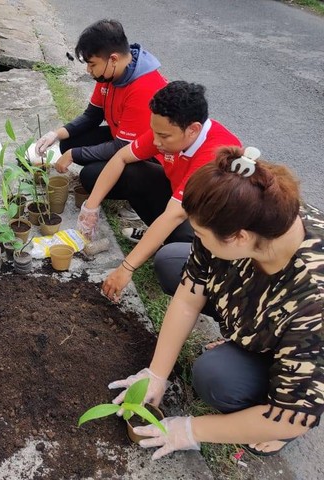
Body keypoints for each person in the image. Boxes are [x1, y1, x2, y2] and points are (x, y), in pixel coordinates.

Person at [107, 147, 324, 459]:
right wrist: (156, 374)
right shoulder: (250, 214)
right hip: (255, 304)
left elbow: (292, 418)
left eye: (200, 233)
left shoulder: (313, 297)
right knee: (171, 261)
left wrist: (191, 429)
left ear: (238, 238)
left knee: (217, 377)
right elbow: (187, 297)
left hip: (303, 347)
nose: (197, 239)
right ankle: (242, 337)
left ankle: (266, 410)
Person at [77, 81, 241, 302]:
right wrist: (91, 207)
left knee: (168, 257)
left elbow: (175, 214)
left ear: (193, 130)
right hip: (179, 202)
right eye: (155, 132)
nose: (156, 141)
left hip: (210, 228)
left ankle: (172, 249)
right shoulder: (169, 131)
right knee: (98, 174)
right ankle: (157, 238)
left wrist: (126, 267)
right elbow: (121, 156)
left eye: (163, 136)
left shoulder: (214, 155)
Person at [34, 19, 167, 204]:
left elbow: (122, 147)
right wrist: (54, 134)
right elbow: (92, 116)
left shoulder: (143, 87)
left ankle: (134, 195)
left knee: (90, 176)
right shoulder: (109, 75)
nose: (89, 71)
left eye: (92, 64)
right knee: (68, 142)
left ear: (113, 59)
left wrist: (74, 155)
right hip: (121, 139)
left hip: (148, 157)